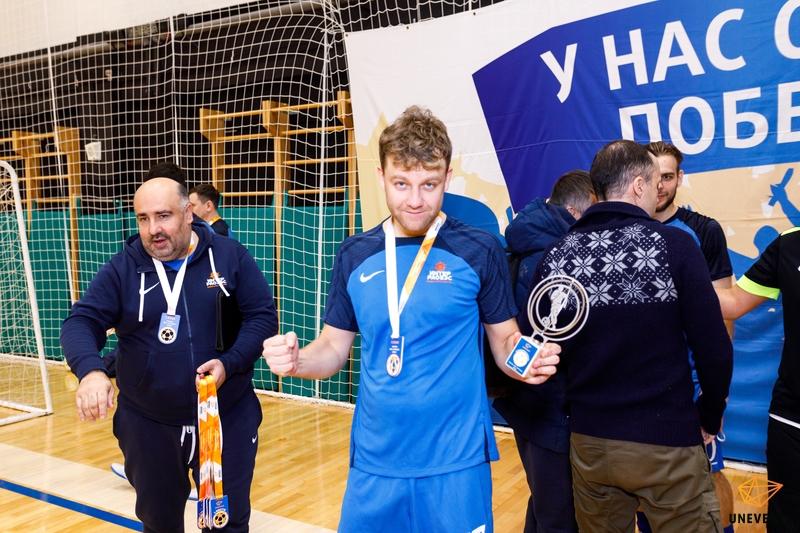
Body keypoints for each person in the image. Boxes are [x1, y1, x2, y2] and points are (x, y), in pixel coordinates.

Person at [261, 105, 560, 533]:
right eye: (401, 183)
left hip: (456, 462)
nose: (415, 200)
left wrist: (526, 362)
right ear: (381, 176)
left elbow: (505, 341)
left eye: (429, 184)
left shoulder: (479, 249)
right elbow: (332, 348)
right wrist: (297, 361)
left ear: (448, 178)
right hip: (375, 461)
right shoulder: (355, 254)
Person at [527, 139, 732, 532]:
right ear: (639, 186)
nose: (658, 192)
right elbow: (714, 349)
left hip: (589, 444)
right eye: (654, 183)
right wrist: (709, 415)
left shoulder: (558, 254)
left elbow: (534, 347)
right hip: (668, 441)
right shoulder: (674, 245)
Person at [60, 173, 278, 533]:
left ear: (188, 213)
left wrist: (230, 363)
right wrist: (92, 371)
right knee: (159, 524)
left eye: (163, 216)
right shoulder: (122, 269)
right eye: (143, 219)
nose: (153, 230)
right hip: (148, 426)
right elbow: (81, 321)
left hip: (225, 417)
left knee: (225, 524)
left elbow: (262, 317)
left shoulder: (229, 256)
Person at [640, 140, 735, 533]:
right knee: (644, 486)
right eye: (654, 177)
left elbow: (723, 313)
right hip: (642, 387)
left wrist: (716, 390)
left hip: (693, 384)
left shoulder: (703, 231)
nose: (660, 186)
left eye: (668, 176)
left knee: (710, 476)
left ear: (679, 177)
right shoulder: (626, 232)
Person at [492, 170, 594, 533]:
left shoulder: (531, 240)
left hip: (527, 404)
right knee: (559, 516)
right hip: (550, 409)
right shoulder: (554, 259)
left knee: (545, 504)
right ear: (574, 211)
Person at [716, 226, 800, 532]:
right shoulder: (790, 243)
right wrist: (671, 271)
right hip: (791, 418)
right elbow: (733, 302)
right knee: (785, 519)